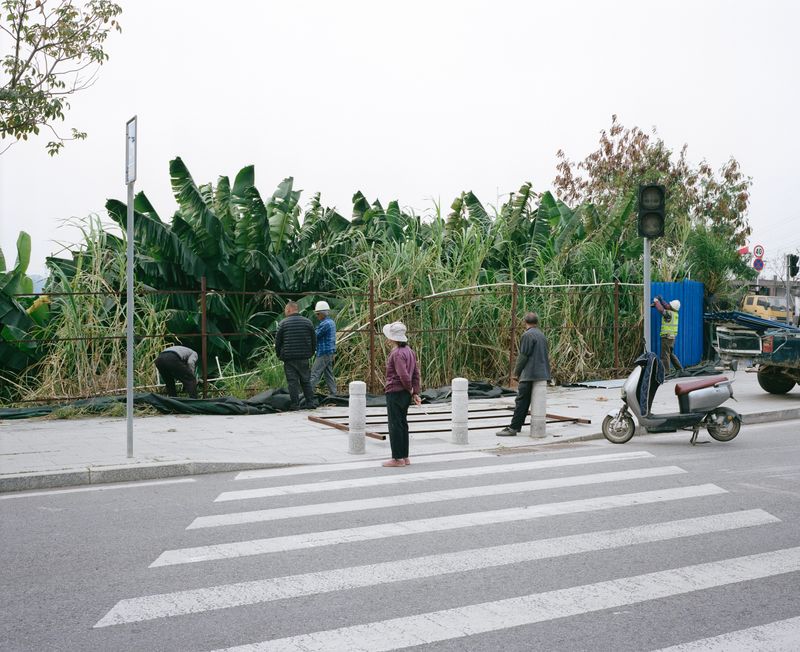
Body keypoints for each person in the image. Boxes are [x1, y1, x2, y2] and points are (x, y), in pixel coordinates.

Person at [496, 312, 551, 437]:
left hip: (530, 374)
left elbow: (523, 356)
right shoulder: (542, 335)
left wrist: (516, 373)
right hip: (542, 374)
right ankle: (517, 426)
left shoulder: (527, 335)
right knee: (531, 402)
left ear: (524, 322)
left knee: (521, 401)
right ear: (537, 322)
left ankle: (514, 428)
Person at [381, 321, 421, 467]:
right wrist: (415, 392)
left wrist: (410, 389)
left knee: (395, 424)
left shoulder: (397, 353)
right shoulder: (409, 351)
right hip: (404, 393)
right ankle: (404, 456)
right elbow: (416, 373)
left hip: (396, 391)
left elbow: (403, 375)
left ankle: (397, 458)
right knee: (402, 424)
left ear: (393, 338)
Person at [275, 301, 317, 409]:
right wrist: (310, 353)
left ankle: (295, 405)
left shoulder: (283, 323)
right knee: (306, 381)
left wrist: (279, 354)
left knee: (292, 382)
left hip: (289, 358)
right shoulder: (308, 322)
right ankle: (310, 403)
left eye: (285, 310)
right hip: (304, 357)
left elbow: (278, 342)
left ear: (289, 310)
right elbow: (314, 340)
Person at [309, 300, 337, 395]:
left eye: (318, 314)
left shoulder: (325, 324)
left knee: (314, 373)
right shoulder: (331, 322)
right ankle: (334, 393)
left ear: (322, 313)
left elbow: (315, 335)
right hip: (329, 352)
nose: (317, 316)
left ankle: (307, 395)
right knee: (328, 374)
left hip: (323, 352)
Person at [660, 299, 683, 374]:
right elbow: (666, 306)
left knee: (665, 354)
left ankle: (666, 372)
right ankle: (679, 368)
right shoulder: (675, 313)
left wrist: (656, 301)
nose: (668, 305)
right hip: (672, 338)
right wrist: (661, 300)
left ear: (672, 307)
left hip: (666, 337)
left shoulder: (669, 314)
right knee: (671, 354)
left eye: (670, 305)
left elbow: (661, 310)